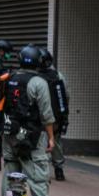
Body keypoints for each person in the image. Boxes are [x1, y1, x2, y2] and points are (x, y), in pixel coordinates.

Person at [1, 44, 61, 196]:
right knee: (38, 176)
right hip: (32, 136)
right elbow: (46, 114)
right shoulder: (39, 83)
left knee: (12, 173)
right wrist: (51, 137)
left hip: (9, 134)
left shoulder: (8, 78)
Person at [37, 48, 69, 181]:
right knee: (56, 141)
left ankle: (42, 170)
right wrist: (64, 115)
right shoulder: (58, 75)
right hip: (56, 116)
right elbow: (66, 96)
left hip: (39, 116)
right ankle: (59, 169)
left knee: (40, 142)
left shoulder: (35, 77)